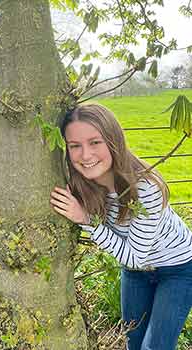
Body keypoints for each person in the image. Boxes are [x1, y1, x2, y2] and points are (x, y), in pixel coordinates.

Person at [50, 104, 192, 350]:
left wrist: (87, 220)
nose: (85, 155)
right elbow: (134, 263)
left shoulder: (145, 188)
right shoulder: (81, 186)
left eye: (95, 142)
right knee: (133, 342)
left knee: (154, 347)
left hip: (177, 268)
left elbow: (137, 257)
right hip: (134, 271)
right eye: (75, 146)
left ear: (113, 140)